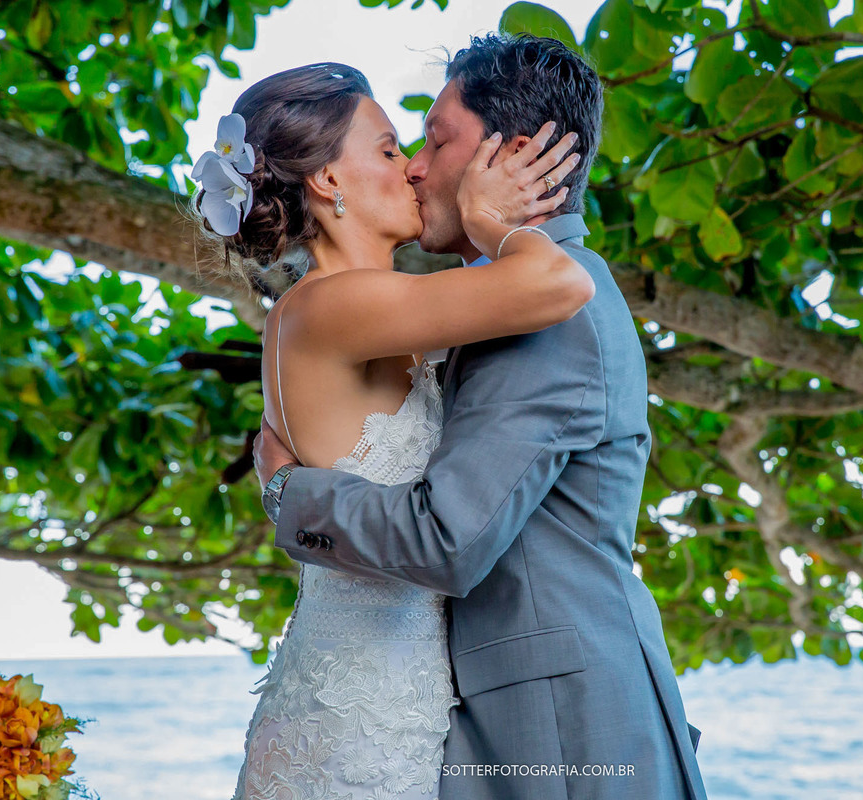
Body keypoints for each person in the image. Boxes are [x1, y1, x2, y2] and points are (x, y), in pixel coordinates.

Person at [254, 35, 708, 800]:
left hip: (560, 720)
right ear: (327, 178)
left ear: (515, 152)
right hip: (435, 711)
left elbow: (445, 539)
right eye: (402, 145)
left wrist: (287, 494)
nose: (417, 166)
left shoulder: (551, 298)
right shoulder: (470, 302)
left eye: (433, 140)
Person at [191, 62, 589, 800]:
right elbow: (560, 285)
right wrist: (490, 220)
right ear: (328, 183)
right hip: (356, 719)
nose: (410, 168)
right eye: (386, 150)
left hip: (381, 698)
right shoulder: (336, 305)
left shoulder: (352, 310)